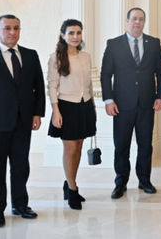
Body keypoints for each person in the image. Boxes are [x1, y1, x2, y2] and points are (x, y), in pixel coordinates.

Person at [0, 15, 45, 228]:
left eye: (16, 28)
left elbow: (38, 87)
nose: (12, 32)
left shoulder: (30, 55)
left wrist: (37, 113)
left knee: (21, 166)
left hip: (23, 122)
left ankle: (20, 205)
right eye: (7, 28)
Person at [101, 7, 161, 199]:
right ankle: (120, 183)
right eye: (134, 19)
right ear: (127, 21)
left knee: (145, 145)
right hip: (121, 105)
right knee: (121, 146)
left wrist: (160, 96)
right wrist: (109, 100)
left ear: (144, 22)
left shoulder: (154, 43)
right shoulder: (114, 44)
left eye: (141, 19)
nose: (137, 22)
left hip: (147, 104)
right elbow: (106, 74)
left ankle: (145, 180)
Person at [47, 19, 96, 209]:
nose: (75, 36)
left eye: (78, 32)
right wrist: (55, 111)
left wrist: (92, 107)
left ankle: (69, 183)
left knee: (79, 147)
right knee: (71, 149)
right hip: (66, 107)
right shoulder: (56, 57)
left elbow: (88, 84)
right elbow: (52, 86)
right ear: (63, 35)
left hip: (85, 105)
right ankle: (73, 189)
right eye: (71, 33)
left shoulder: (86, 56)